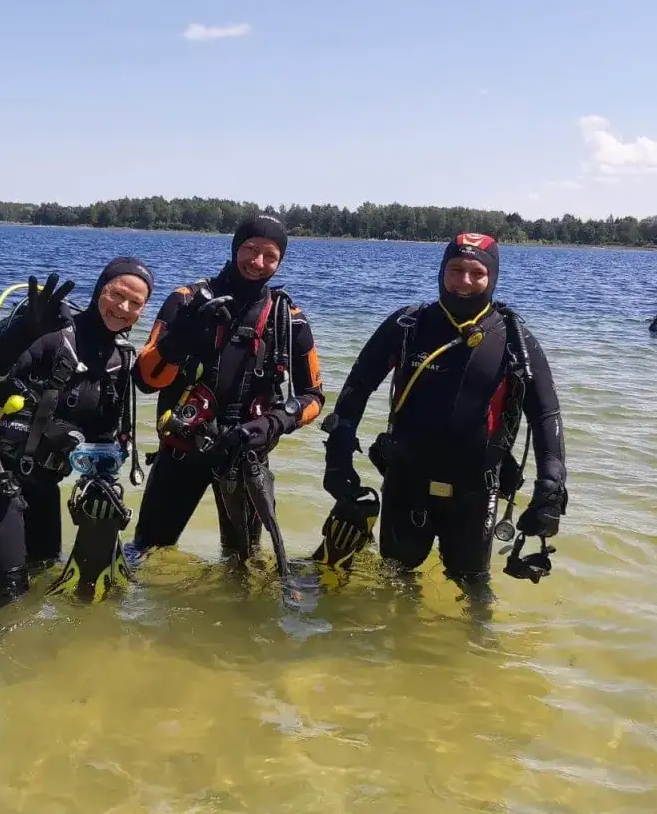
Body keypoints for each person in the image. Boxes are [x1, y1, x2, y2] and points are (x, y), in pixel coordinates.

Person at [320, 232, 569, 593]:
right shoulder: (408, 326)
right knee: (394, 581)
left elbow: (546, 416)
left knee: (474, 591)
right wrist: (338, 453)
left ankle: (479, 648)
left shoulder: (514, 339)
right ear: (441, 271)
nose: (464, 281)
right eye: (455, 270)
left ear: (492, 277)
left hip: (476, 489)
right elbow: (357, 388)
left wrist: (551, 486)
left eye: (476, 272)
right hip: (406, 480)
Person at [0, 259, 154, 603]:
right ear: (99, 290)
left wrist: (103, 486)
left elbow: (105, 436)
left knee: (43, 579)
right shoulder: (48, 331)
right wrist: (23, 331)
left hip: (43, 485)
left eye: (135, 303)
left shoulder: (119, 360)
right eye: (117, 294)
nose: (123, 308)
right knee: (5, 596)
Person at [131, 214, 325, 562]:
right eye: (250, 249)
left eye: (270, 255)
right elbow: (145, 380)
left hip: (246, 456)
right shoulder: (186, 301)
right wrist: (179, 340)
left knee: (242, 565)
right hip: (181, 451)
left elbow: (313, 397)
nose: (258, 262)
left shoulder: (289, 317)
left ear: (280, 261)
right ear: (236, 248)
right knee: (147, 553)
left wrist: (274, 422)